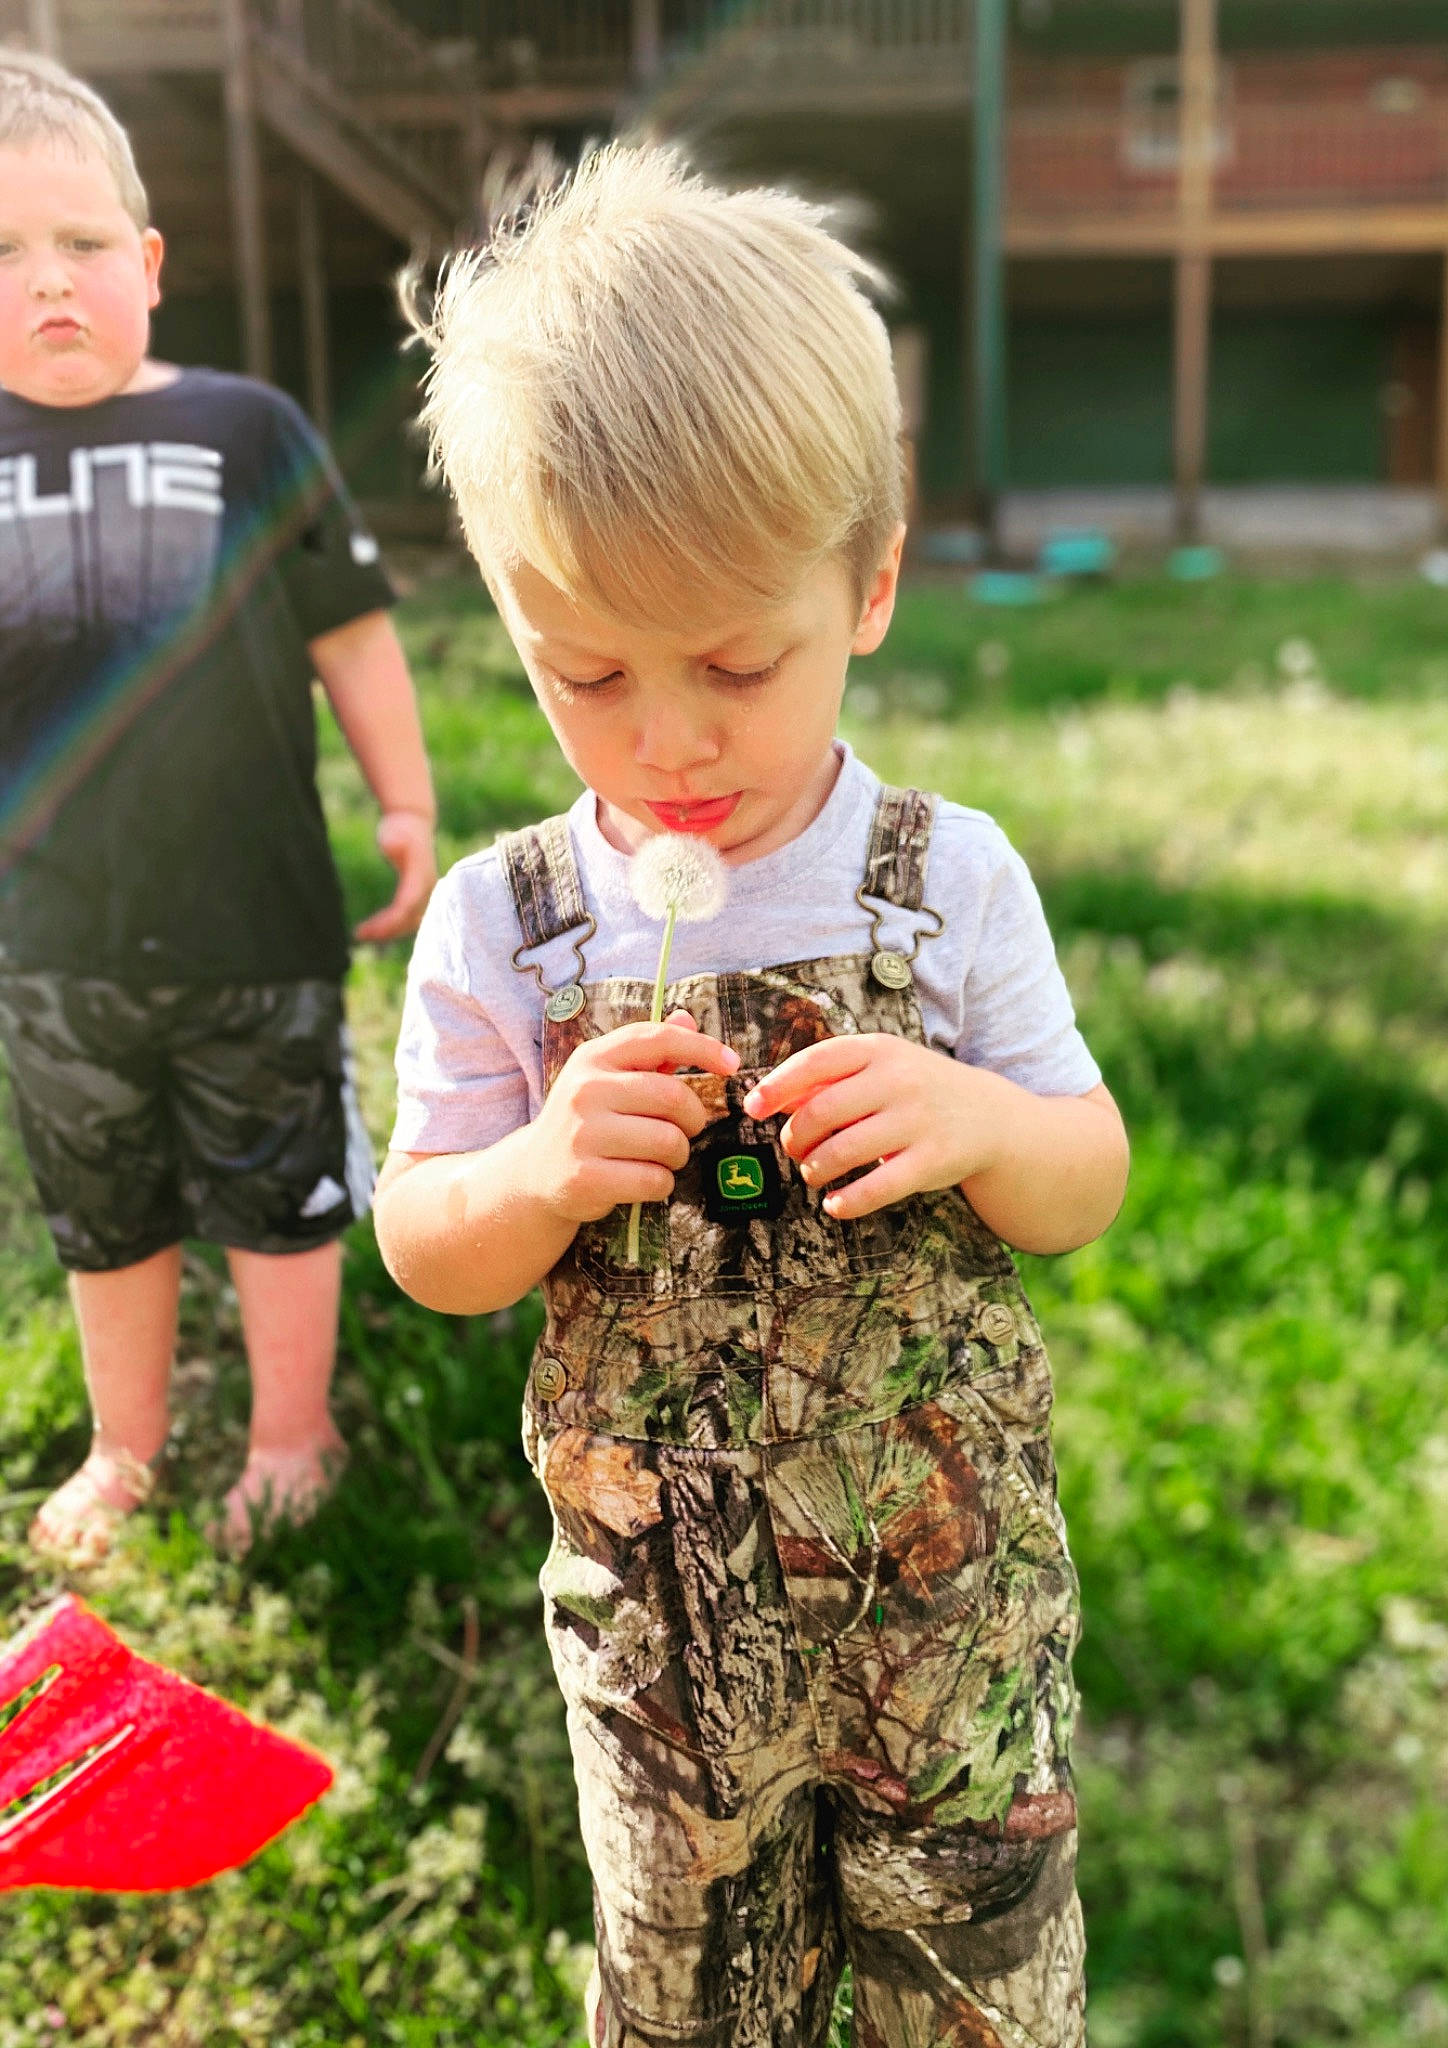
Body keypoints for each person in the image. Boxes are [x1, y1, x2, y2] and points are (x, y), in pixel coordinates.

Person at [376, 143, 1129, 2045]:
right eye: (586, 673)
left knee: (969, 1985)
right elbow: (426, 1241)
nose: (669, 739)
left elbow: (1083, 1171)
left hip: (939, 1641)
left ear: (868, 587)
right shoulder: (509, 925)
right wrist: (541, 1170)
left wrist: (977, 1124)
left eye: (733, 660)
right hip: (661, 1658)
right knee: (690, 1996)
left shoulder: (945, 883)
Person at [0, 52, 438, 1565]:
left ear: (151, 263)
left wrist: (407, 805)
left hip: (258, 922)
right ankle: (124, 1452)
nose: (48, 284)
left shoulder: (247, 431)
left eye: (82, 245)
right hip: (52, 945)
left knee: (282, 1195)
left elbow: (352, 635)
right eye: (0, 255)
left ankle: (288, 1434)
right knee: (102, 1210)